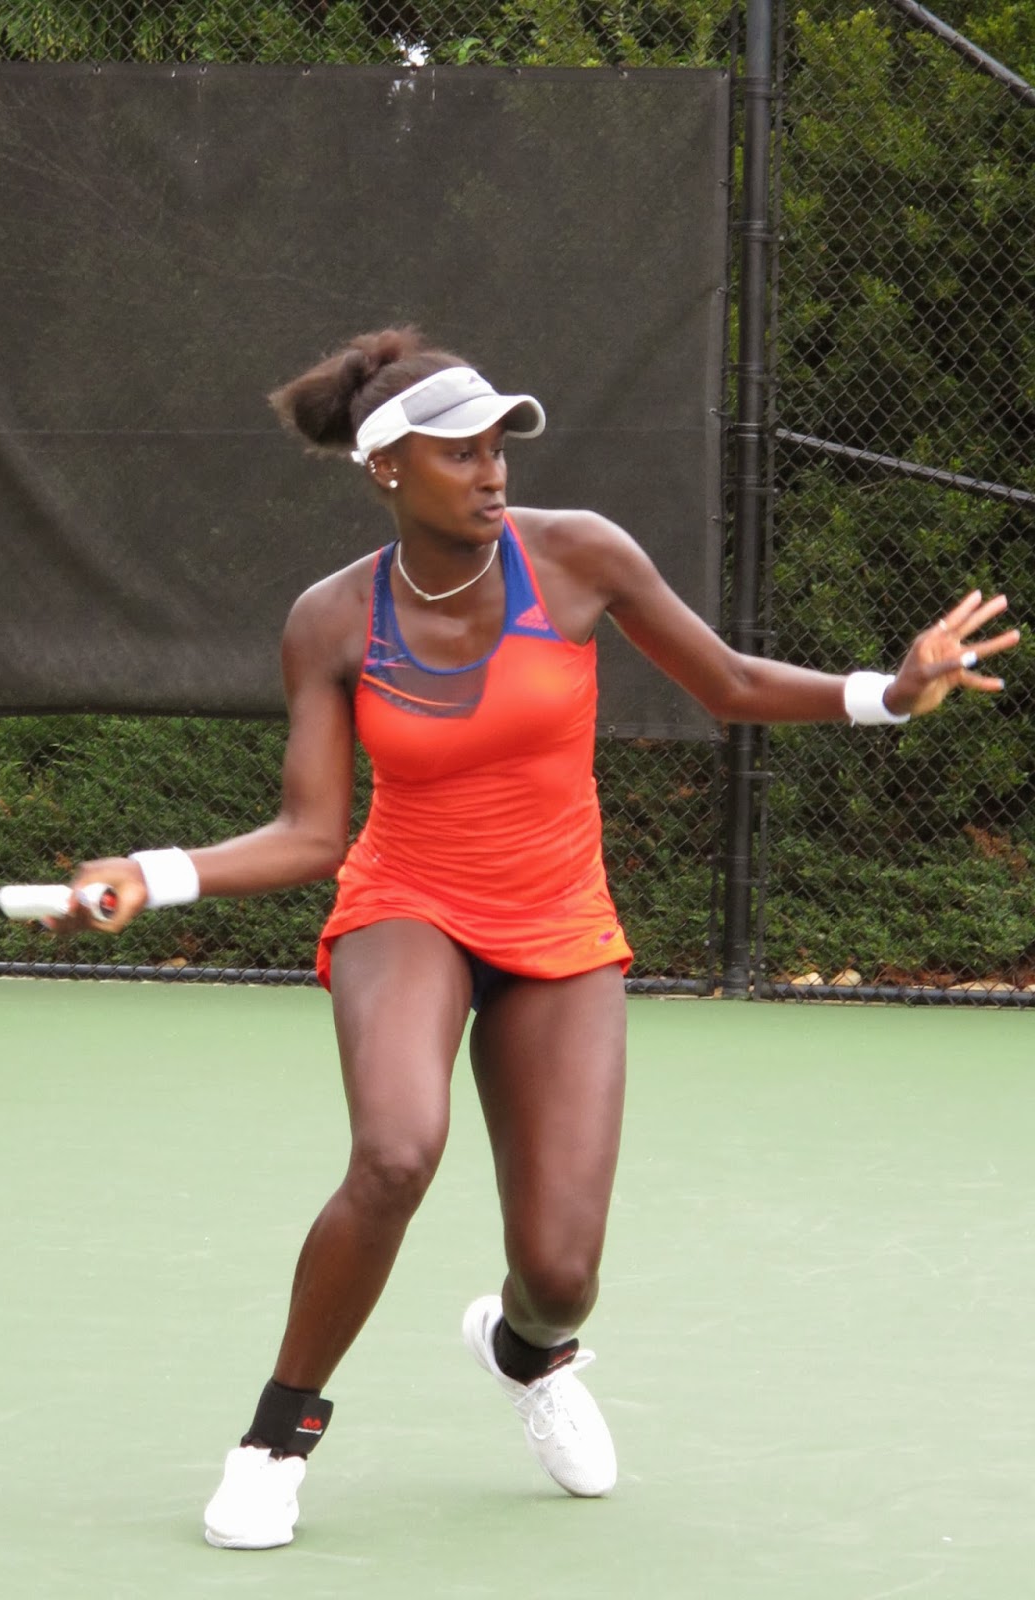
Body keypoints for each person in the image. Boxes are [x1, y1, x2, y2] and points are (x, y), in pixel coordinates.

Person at [63, 328, 1018, 1550]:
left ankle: (526, 1352)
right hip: (407, 905)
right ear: (388, 468)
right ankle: (274, 1439)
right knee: (396, 1152)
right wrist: (153, 873)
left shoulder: (578, 557)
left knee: (562, 1274)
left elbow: (726, 682)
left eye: (498, 446)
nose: (493, 469)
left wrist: (891, 690)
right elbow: (311, 833)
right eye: (460, 452)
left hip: (560, 919)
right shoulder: (331, 621)